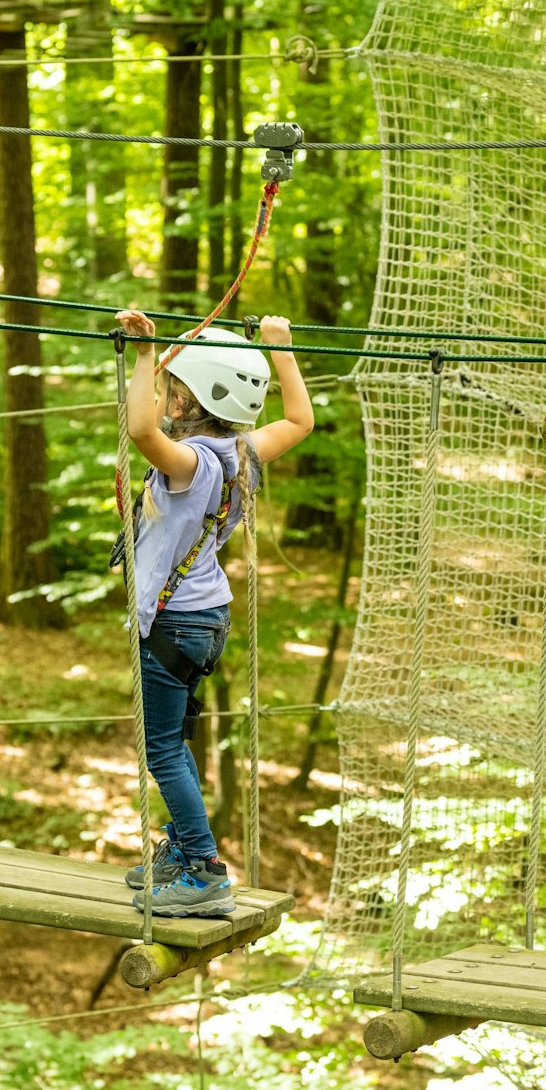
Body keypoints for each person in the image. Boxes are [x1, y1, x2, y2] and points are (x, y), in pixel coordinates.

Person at [111, 309, 313, 916]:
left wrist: (146, 356)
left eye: (174, 390)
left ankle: (202, 869)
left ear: (190, 401)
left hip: (176, 622)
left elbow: (143, 436)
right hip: (206, 617)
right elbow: (301, 419)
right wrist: (282, 345)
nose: (166, 399)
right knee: (175, 740)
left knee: (162, 749)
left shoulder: (194, 464)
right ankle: (182, 847)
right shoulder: (244, 451)